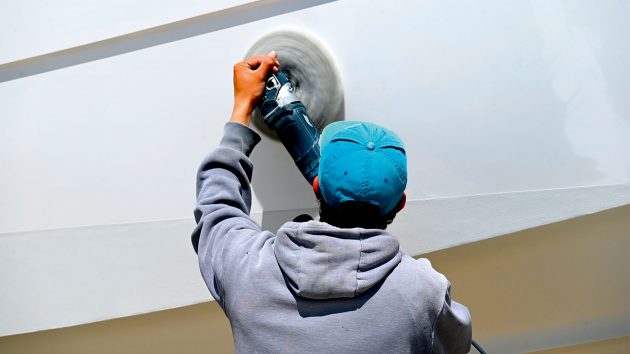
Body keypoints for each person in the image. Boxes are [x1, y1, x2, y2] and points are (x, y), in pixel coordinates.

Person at [192, 51, 472, 353]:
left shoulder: (248, 269)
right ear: (400, 204)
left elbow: (216, 208)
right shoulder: (423, 293)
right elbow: (457, 340)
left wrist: (242, 106)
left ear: (316, 183)